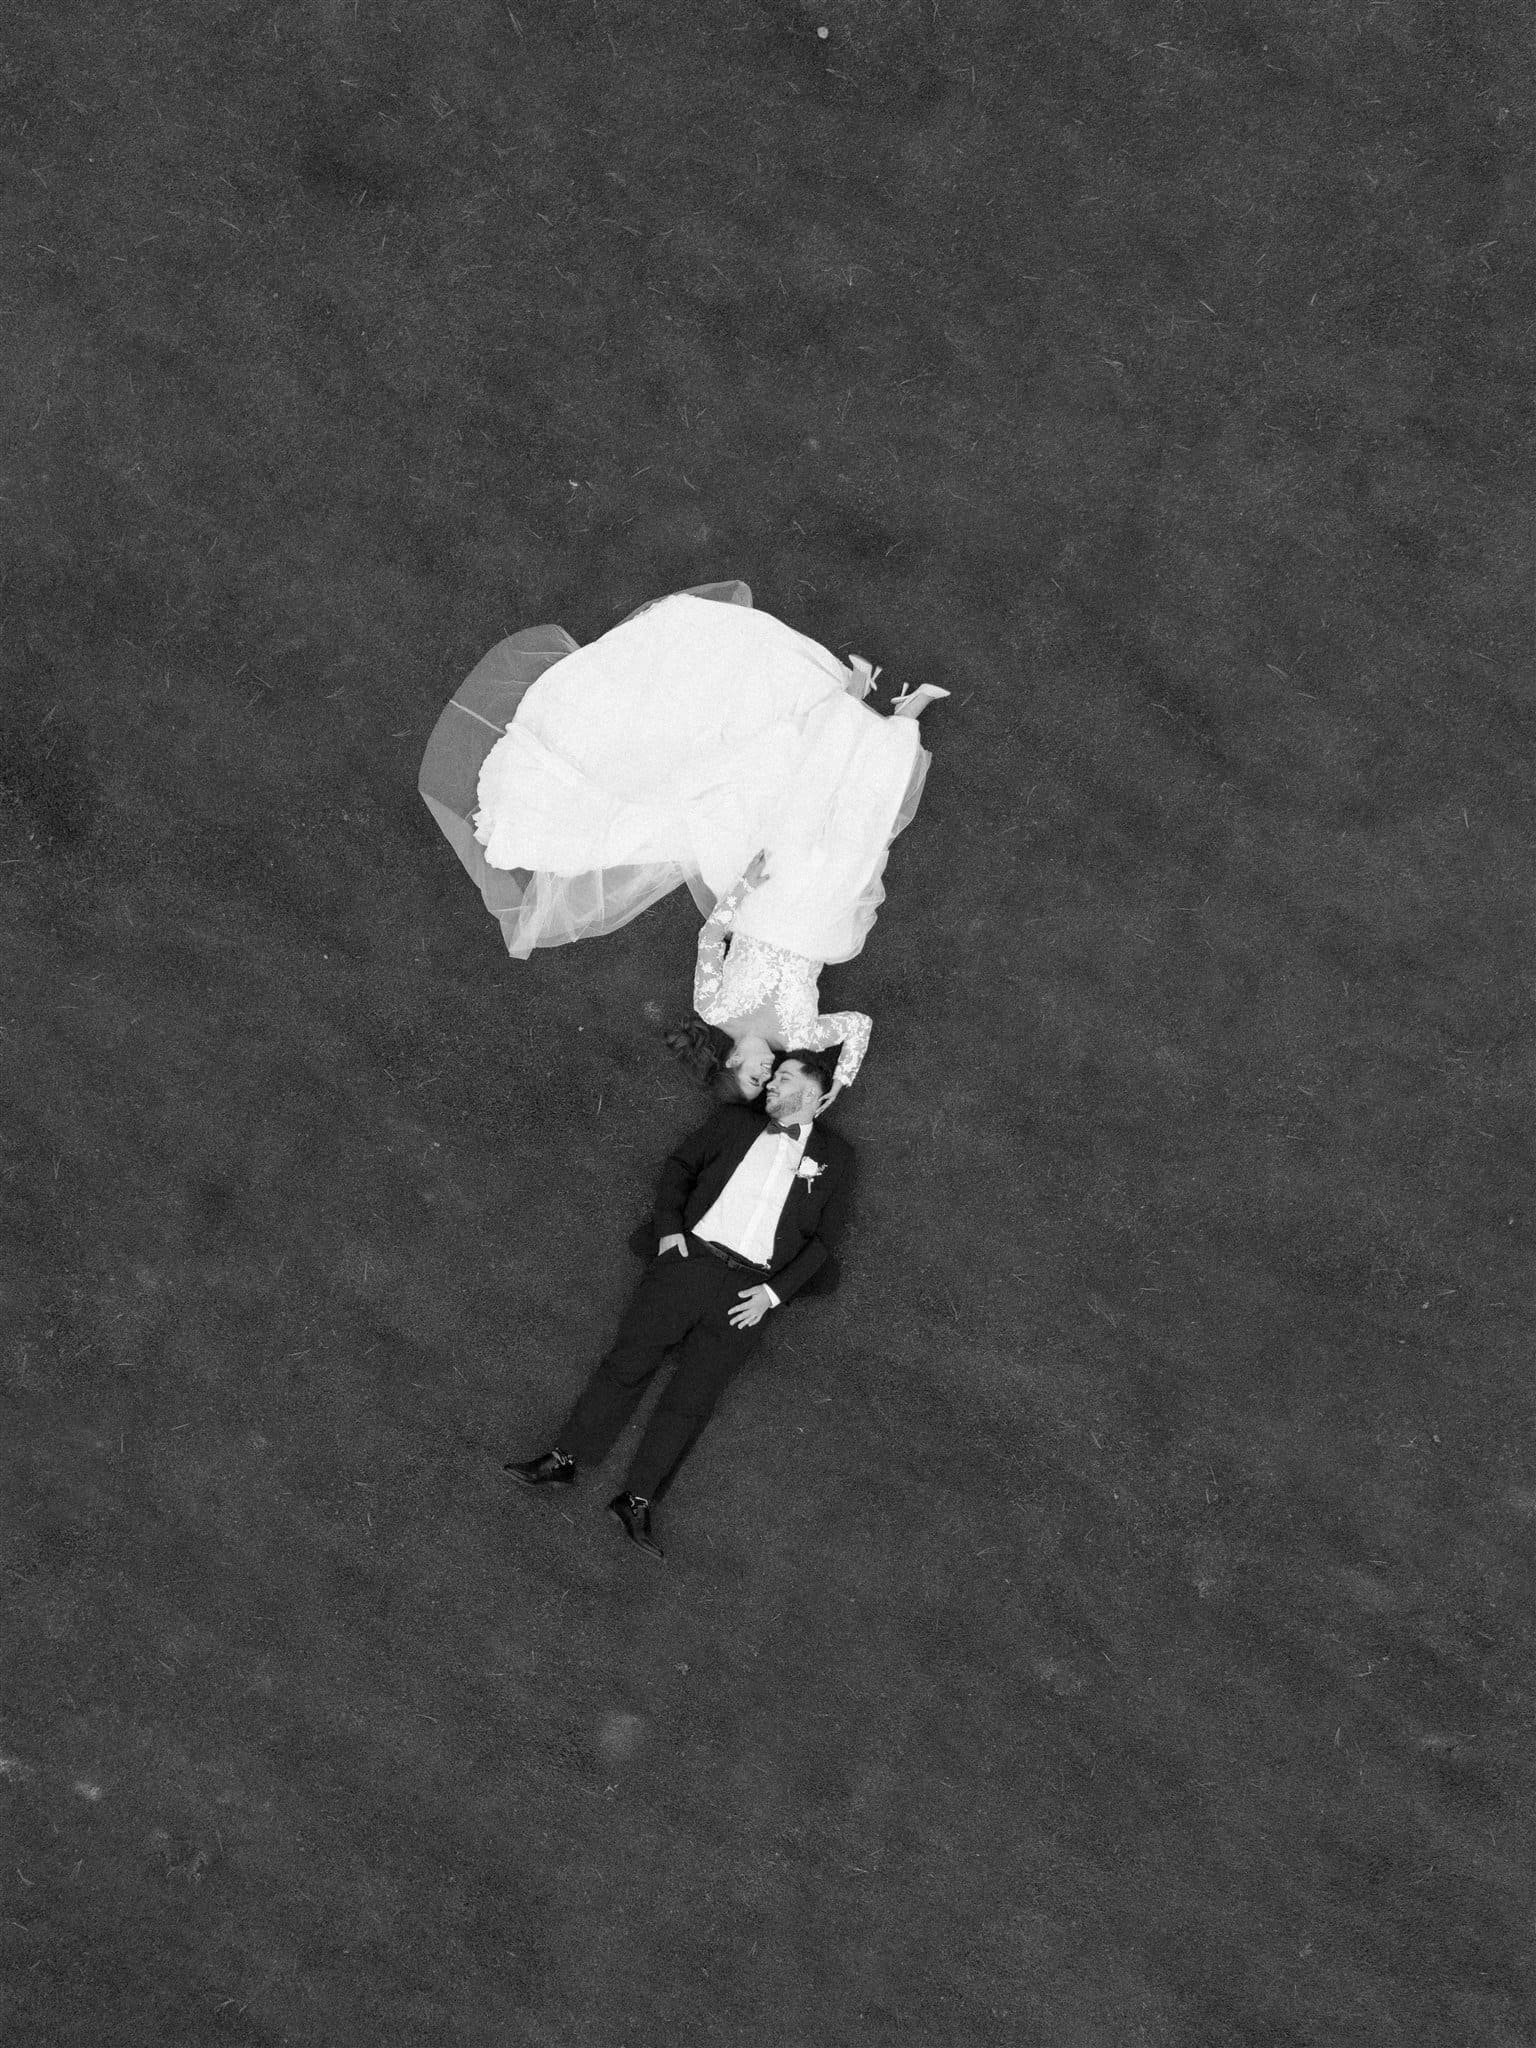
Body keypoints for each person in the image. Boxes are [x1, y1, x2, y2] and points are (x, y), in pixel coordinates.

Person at [418, 582, 945, 969]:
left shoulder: (722, 1015)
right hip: (805, 916)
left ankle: (865, 704)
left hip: (761, 905)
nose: (767, 1071)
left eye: (754, 1074)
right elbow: (847, 1025)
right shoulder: (829, 965)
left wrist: (742, 890)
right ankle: (893, 718)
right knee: (855, 821)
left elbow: (712, 940)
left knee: (792, 790)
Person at [504, 1052, 854, 1560]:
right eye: (772, 1076)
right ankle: (564, 1458)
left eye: (783, 1078)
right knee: (626, 1363)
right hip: (689, 1264)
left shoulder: (837, 1157)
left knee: (693, 1398)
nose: (770, 1085)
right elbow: (680, 1167)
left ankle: (637, 1499)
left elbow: (823, 1242)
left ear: (813, 1092)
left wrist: (772, 1296)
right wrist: (670, 1233)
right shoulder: (734, 1122)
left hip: (749, 1295)